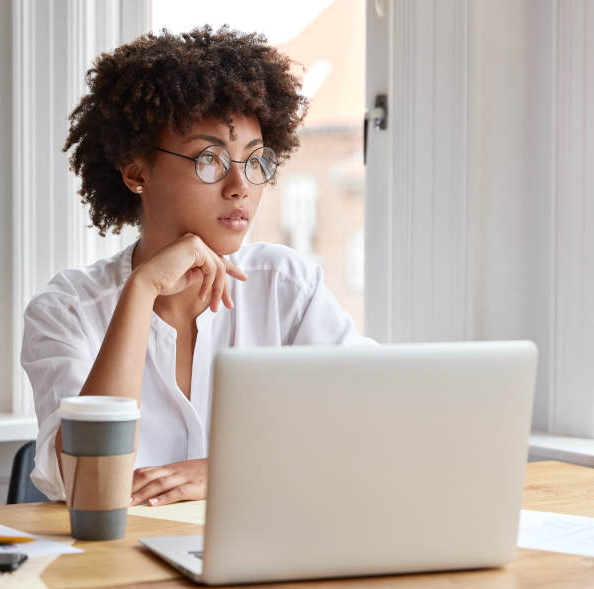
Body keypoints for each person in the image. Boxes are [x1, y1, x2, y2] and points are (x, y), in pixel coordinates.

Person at [21, 25, 376, 507]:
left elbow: (370, 423)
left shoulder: (287, 287)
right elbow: (88, 482)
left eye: (255, 161)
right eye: (208, 159)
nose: (240, 186)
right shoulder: (66, 311)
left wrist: (233, 471)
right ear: (136, 172)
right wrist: (142, 290)